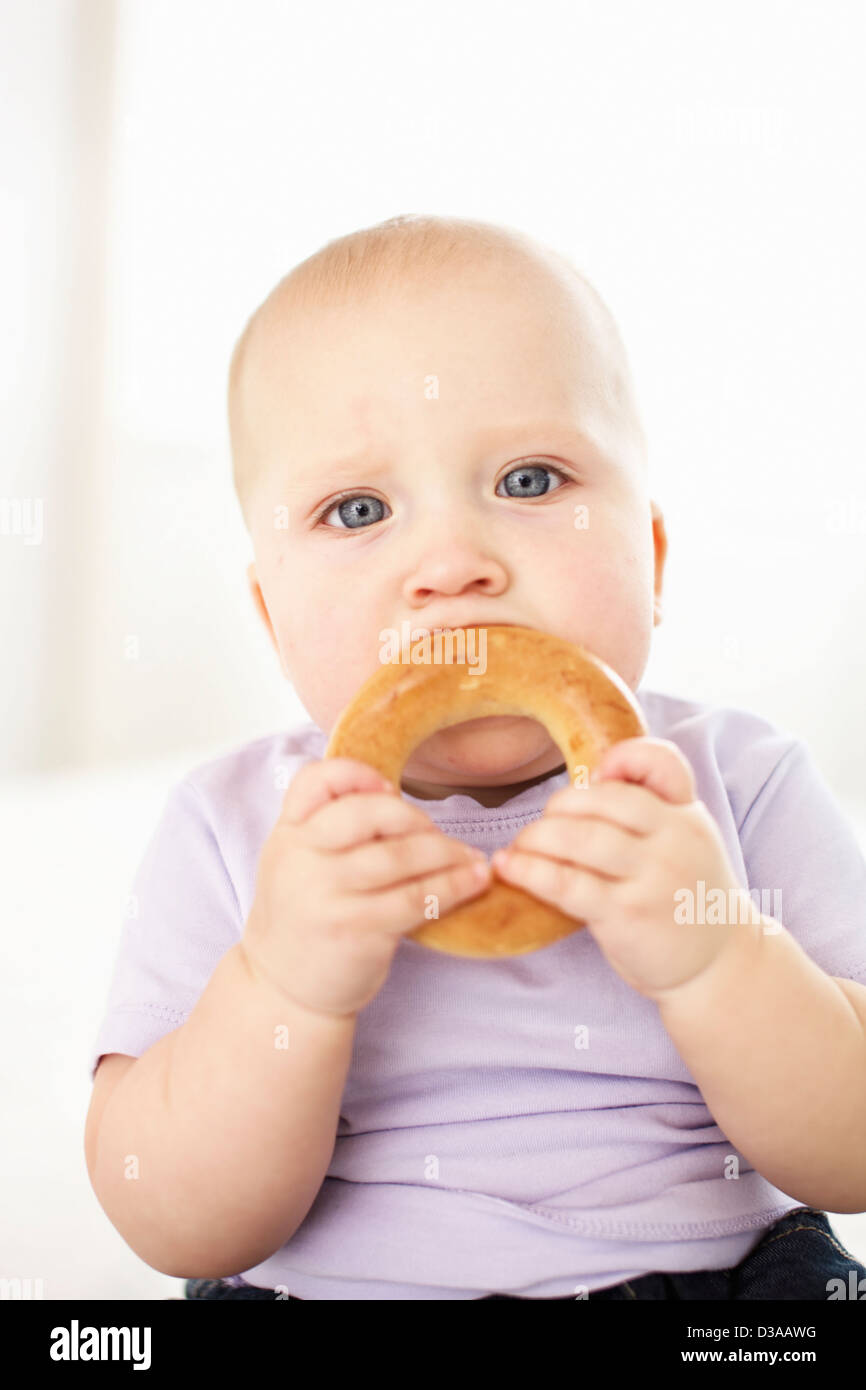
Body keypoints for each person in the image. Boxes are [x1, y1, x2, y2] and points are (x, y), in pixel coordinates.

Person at [85, 213, 866, 1300]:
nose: (451, 564)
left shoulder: (734, 782)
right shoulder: (234, 823)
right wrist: (279, 987)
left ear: (648, 553)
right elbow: (169, 1216)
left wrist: (717, 954)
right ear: (270, 616)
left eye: (531, 481)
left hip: (705, 1291)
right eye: (357, 509)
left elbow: (852, 1152)